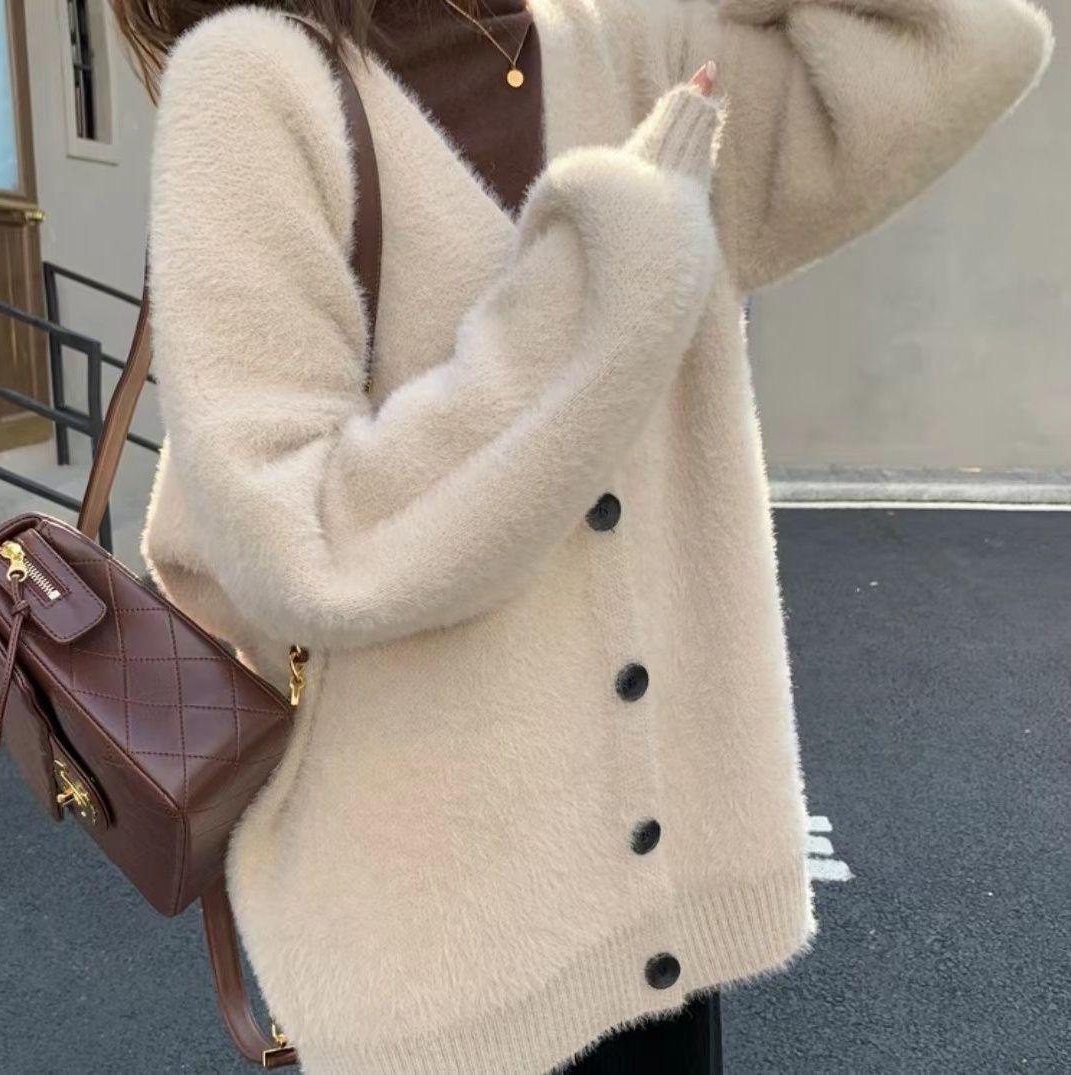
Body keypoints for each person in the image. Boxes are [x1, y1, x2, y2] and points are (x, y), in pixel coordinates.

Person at [112, 0, 1051, 1070]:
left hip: (655, 928)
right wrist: (609, 273)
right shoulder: (255, 82)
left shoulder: (631, 46)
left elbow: (966, 43)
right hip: (442, 955)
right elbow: (300, 546)